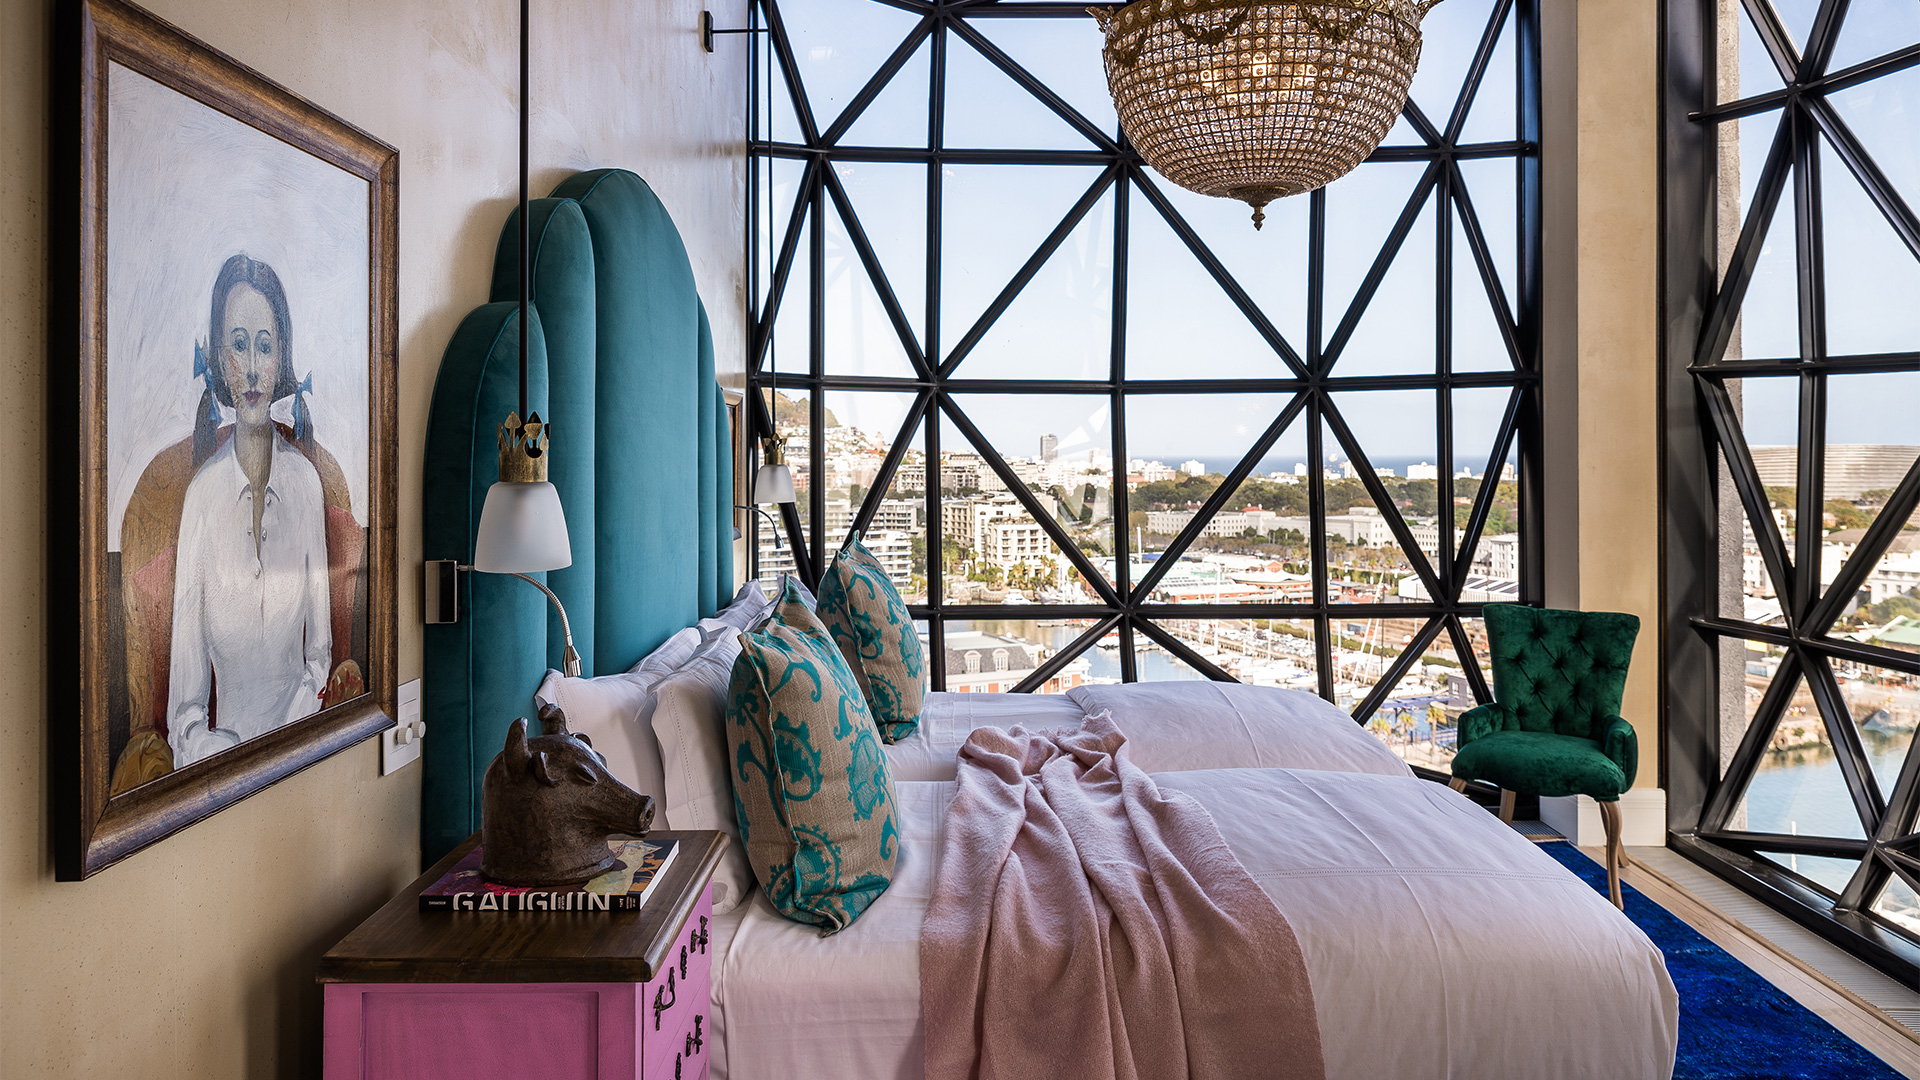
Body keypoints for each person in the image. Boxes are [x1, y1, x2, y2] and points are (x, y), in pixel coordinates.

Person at [166, 254, 331, 768]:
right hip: (224, 772)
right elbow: (186, 713)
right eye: (239, 346)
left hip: (304, 753)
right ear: (219, 358)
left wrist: (289, 737)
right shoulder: (200, 499)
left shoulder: (306, 486)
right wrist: (220, 752)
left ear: (281, 358)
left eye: (265, 346)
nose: (254, 368)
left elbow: (319, 659)